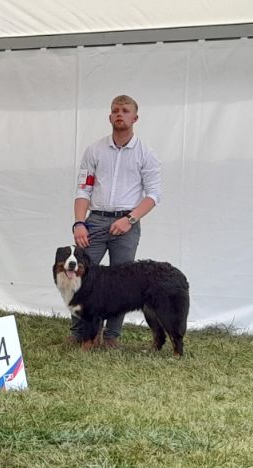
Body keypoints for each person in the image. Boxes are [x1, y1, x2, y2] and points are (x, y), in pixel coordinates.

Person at [70, 95, 161, 348]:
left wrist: (129, 219)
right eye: (115, 110)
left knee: (123, 284)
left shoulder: (146, 154)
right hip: (95, 221)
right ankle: (79, 333)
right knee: (80, 277)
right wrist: (80, 223)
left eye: (125, 110)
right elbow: (83, 190)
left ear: (135, 117)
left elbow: (153, 195)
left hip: (127, 224)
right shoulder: (94, 150)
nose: (119, 114)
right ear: (110, 117)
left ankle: (111, 337)